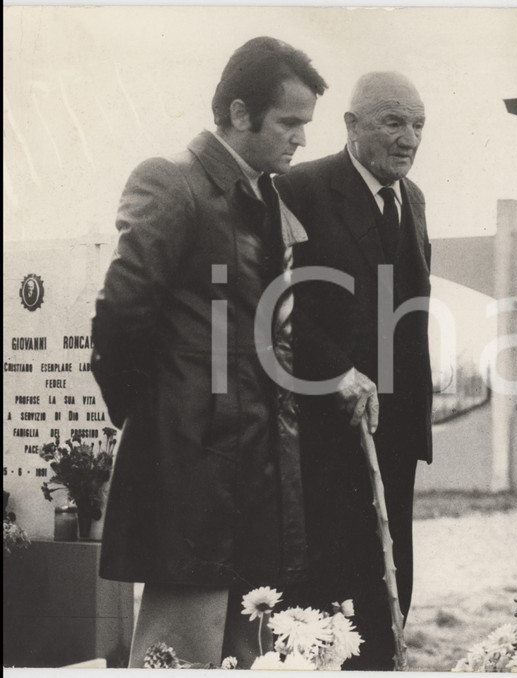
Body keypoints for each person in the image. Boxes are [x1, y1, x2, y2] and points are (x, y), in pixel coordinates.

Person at [90, 37, 326, 668]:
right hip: (191, 467)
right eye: (289, 123)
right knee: (180, 653)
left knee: (245, 649)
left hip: (253, 467)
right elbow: (119, 319)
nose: (301, 139)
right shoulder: (172, 182)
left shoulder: (263, 196)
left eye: (305, 125)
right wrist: (163, 421)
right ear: (240, 112)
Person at [276, 71, 432, 670]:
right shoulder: (300, 188)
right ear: (351, 126)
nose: (409, 138)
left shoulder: (413, 199)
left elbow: (407, 310)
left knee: (392, 588)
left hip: (394, 433)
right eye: (393, 122)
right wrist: (337, 370)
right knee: (327, 597)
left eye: (418, 125)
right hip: (323, 435)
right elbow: (277, 302)